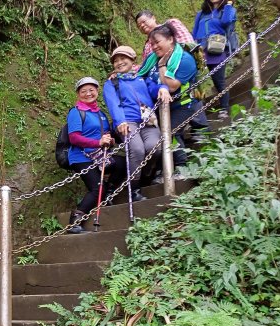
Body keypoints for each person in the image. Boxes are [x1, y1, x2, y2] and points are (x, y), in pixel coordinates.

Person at [138, 24, 206, 179]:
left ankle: (181, 168)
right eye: (152, 44)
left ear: (170, 39)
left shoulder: (185, 59)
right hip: (159, 105)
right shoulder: (151, 58)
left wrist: (162, 65)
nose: (154, 47)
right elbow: (141, 76)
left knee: (170, 133)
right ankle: (167, 169)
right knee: (165, 134)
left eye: (157, 42)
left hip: (182, 104)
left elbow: (171, 86)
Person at [103, 46, 170, 199]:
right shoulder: (111, 83)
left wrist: (164, 88)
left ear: (132, 60)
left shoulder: (142, 78)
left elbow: (155, 88)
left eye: (123, 59)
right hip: (127, 122)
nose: (119, 63)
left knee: (154, 147)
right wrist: (120, 121)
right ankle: (134, 190)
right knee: (137, 149)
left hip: (148, 121)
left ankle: (143, 176)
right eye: (116, 61)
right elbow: (113, 104)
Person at [66, 77, 126, 234]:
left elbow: (105, 134)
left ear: (97, 91)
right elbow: (74, 137)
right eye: (83, 91)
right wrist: (98, 143)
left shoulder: (101, 114)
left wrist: (110, 140)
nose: (88, 94)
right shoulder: (76, 112)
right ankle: (75, 221)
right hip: (81, 157)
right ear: (78, 94)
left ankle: (110, 193)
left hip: (99, 154)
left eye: (91, 90)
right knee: (97, 188)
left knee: (122, 163)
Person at [192, 0, 238, 120]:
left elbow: (226, 22)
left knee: (218, 81)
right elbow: (194, 33)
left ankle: (224, 109)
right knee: (196, 82)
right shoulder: (202, 14)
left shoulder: (227, 10)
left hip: (216, 49)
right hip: (200, 50)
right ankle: (197, 115)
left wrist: (229, 1)